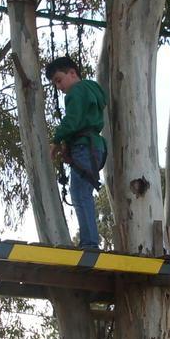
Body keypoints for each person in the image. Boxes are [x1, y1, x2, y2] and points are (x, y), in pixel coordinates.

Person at [45, 56, 107, 249]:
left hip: (84, 147)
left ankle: (89, 243)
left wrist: (55, 142)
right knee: (83, 192)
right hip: (93, 146)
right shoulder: (91, 91)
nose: (59, 86)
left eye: (59, 79)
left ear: (72, 73)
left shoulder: (77, 91)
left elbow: (72, 120)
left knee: (79, 193)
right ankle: (90, 240)